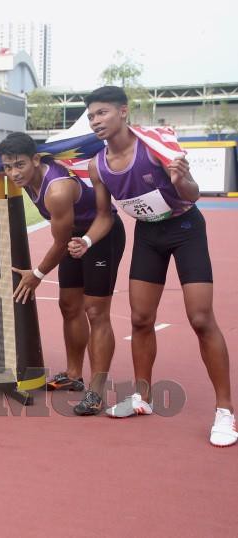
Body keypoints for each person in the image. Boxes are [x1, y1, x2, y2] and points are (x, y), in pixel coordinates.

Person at [69, 86, 235, 446]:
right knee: (141, 319)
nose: (96, 121)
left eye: (102, 113)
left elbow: (191, 194)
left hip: (185, 228)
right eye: (92, 116)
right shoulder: (97, 165)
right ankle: (142, 397)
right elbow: (102, 216)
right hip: (148, 235)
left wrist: (181, 180)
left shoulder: (154, 147)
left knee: (201, 318)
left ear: (123, 112)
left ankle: (225, 411)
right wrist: (87, 240)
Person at [0, 132, 125, 415]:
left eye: (19, 165)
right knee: (69, 305)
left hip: (101, 236)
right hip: (72, 239)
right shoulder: (14, 168)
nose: (13, 173)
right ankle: (73, 374)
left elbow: (58, 242)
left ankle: (96, 391)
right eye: (7, 167)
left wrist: (37, 274)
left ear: (35, 159)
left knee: (95, 312)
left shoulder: (57, 190)